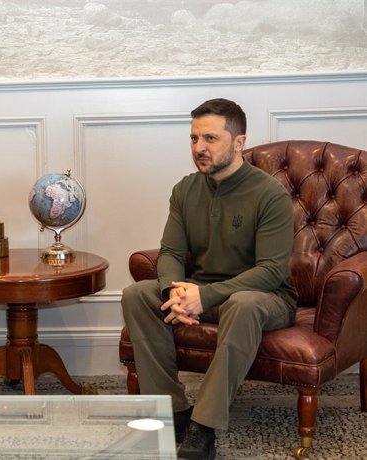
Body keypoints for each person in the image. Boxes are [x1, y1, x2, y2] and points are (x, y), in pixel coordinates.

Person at [121, 98, 297, 460]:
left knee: (243, 304)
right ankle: (173, 412)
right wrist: (174, 291)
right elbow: (169, 252)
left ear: (238, 142)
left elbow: (272, 270)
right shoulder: (185, 190)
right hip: (204, 293)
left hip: (265, 296)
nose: (199, 148)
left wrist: (206, 295)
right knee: (137, 294)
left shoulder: (270, 195)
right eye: (193, 139)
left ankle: (204, 426)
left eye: (210, 139)